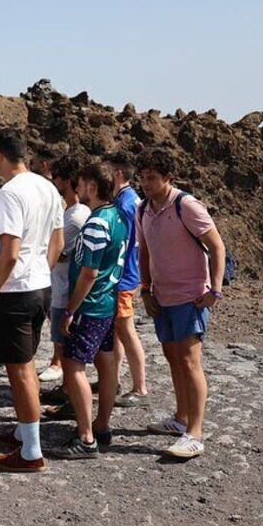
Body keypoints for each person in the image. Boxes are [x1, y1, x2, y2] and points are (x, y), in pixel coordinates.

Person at [0, 128, 64, 473]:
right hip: (41, 286)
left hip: (15, 290)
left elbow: (10, 252)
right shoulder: (48, 187)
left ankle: (31, 451)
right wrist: (39, 273)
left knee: (19, 370)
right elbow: (57, 243)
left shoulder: (9, 193)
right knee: (27, 361)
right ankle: (23, 430)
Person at [136, 148, 225, 459]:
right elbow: (144, 252)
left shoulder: (186, 205)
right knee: (173, 357)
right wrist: (146, 290)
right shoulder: (143, 209)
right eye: (143, 177)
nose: (146, 183)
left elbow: (216, 246)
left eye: (152, 178)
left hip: (190, 297)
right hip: (162, 296)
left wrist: (215, 290)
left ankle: (195, 433)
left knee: (189, 361)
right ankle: (180, 419)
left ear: (168, 178)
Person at [48, 163, 128, 459]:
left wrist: (70, 310)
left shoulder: (96, 223)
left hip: (89, 305)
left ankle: (85, 437)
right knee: (107, 363)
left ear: (92, 187)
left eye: (81, 184)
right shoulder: (118, 216)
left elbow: (89, 273)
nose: (77, 188)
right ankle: (102, 425)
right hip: (107, 303)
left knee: (73, 366)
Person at [39, 155, 91, 385]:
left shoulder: (76, 216)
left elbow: (57, 251)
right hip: (59, 285)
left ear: (67, 182)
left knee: (65, 339)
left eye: (56, 178)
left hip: (64, 288)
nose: (53, 182)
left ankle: (66, 383)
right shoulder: (70, 211)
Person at [105, 151, 149, 407]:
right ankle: (115, 378)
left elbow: (124, 243)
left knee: (125, 329)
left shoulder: (124, 203)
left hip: (123, 276)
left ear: (118, 174)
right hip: (127, 274)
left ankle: (140, 387)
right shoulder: (131, 199)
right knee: (117, 329)